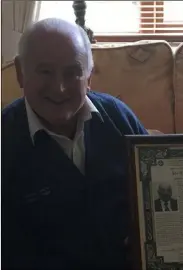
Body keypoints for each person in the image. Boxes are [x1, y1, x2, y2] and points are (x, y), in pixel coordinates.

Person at [1, 18, 148, 269]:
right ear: (20, 73)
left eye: (73, 72)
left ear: (89, 76)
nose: (59, 88)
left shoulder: (118, 117)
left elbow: (157, 187)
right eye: (45, 72)